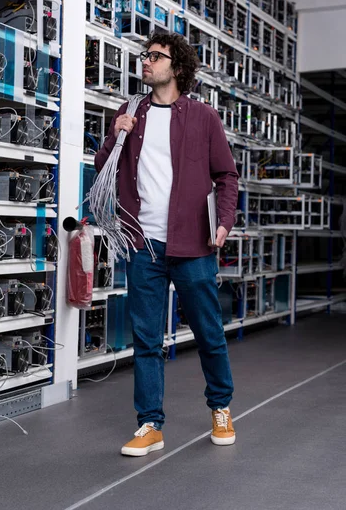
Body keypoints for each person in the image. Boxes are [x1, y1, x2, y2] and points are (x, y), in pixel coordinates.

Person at [95, 32, 239, 457]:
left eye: (156, 56)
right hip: (144, 244)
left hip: (193, 244)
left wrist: (224, 224)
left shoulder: (203, 118)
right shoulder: (130, 112)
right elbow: (104, 167)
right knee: (146, 338)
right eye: (145, 55)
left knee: (209, 332)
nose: (146, 61)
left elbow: (227, 177)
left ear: (177, 68)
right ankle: (150, 424)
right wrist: (113, 135)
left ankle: (221, 407)